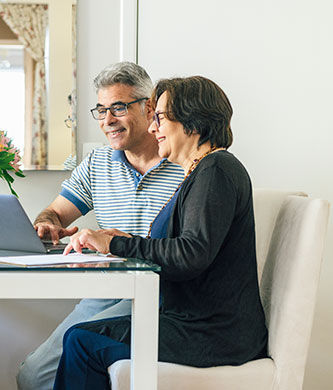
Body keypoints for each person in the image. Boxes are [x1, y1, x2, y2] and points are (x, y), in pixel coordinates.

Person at [53, 76, 269, 389]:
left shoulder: (216, 170)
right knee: (83, 337)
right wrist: (123, 241)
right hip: (195, 324)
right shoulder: (200, 173)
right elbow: (181, 245)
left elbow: (191, 254)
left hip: (215, 333)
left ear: (192, 122)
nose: (153, 128)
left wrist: (115, 243)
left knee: (83, 342)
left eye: (160, 118)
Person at [16, 62, 185, 390]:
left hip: (162, 296)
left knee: (89, 363)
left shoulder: (182, 163)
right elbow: (55, 212)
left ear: (149, 107)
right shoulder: (98, 162)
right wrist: (46, 225)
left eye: (118, 108)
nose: (108, 121)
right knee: (33, 375)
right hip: (105, 292)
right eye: (101, 110)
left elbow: (191, 249)